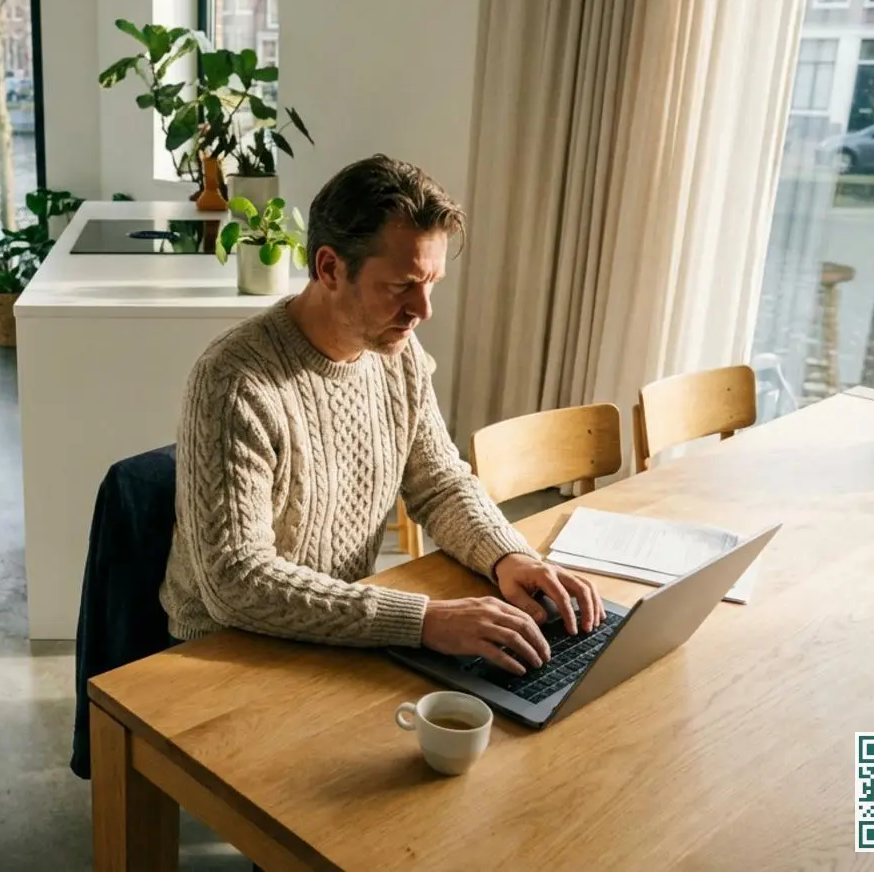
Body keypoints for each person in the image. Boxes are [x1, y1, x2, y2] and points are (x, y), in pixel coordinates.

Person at [159, 154, 606, 674]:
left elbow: (438, 483)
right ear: (329, 268)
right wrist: (423, 621)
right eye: (401, 286)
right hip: (223, 654)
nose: (423, 309)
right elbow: (235, 582)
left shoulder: (398, 355)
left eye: (431, 283)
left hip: (339, 628)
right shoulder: (234, 381)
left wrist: (509, 556)